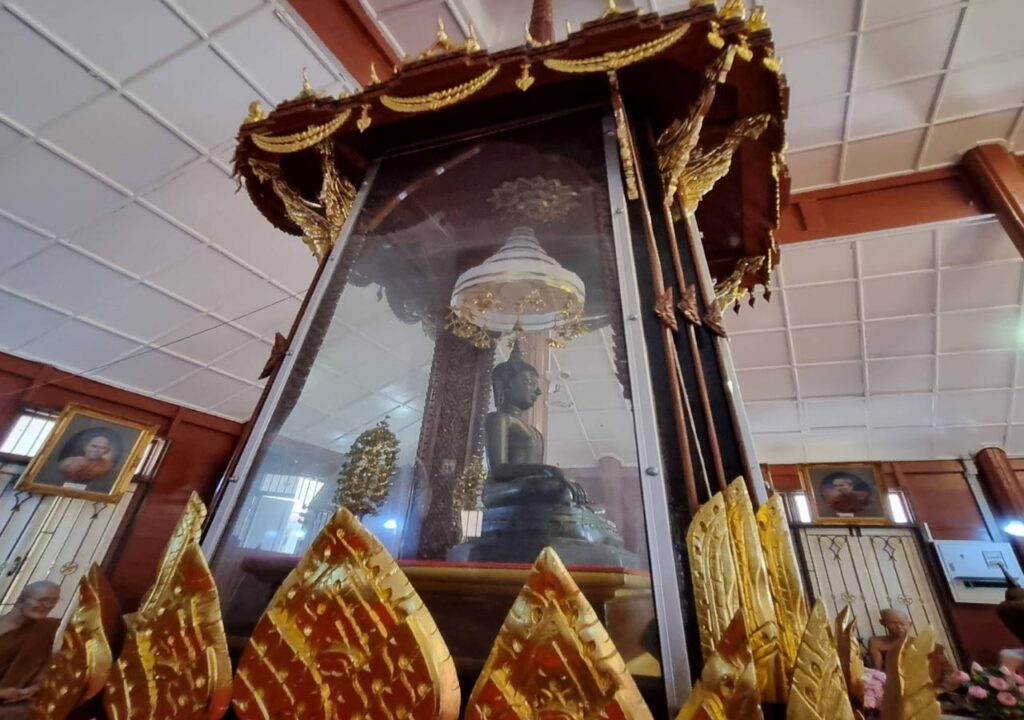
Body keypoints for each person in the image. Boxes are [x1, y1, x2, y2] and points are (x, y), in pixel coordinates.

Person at [0, 581, 60, 720]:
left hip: (15, 701)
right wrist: (2, 693)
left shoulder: (47, 630)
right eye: (42, 600)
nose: (48, 606)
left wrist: (35, 687)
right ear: (21, 600)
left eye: (53, 601)